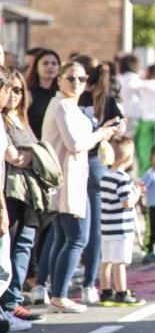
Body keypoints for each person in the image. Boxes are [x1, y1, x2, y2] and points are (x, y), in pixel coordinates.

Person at [42, 61, 124, 313]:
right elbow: (75, 143)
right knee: (77, 238)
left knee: (66, 238)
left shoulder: (69, 105)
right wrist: (101, 134)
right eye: (70, 78)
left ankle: (57, 293)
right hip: (67, 179)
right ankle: (59, 294)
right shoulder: (62, 106)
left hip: (76, 177)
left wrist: (104, 132)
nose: (76, 83)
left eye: (81, 79)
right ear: (59, 80)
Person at [2, 70, 55, 325]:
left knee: (24, 245)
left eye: (18, 90)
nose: (13, 95)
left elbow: (28, 155)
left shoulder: (22, 120)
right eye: (9, 89)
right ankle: (6, 304)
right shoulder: (3, 122)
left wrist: (33, 155)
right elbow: (15, 157)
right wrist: (36, 155)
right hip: (9, 193)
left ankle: (13, 301)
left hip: (30, 194)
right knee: (8, 247)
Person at [76, 57, 124, 306]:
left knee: (76, 229)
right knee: (90, 226)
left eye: (79, 77)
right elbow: (122, 126)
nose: (76, 82)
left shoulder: (76, 99)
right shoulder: (107, 101)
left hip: (79, 162)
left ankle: (55, 283)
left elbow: (120, 126)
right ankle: (87, 283)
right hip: (93, 164)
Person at [98, 136, 145, 306]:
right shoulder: (123, 178)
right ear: (128, 158)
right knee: (120, 262)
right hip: (121, 228)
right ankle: (121, 292)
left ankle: (105, 291)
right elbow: (126, 202)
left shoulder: (105, 176)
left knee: (106, 261)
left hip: (106, 226)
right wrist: (137, 193)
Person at [25, 49, 61, 139]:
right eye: (45, 63)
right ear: (36, 68)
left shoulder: (61, 94)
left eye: (54, 63)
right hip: (35, 143)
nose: (50, 66)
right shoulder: (28, 93)